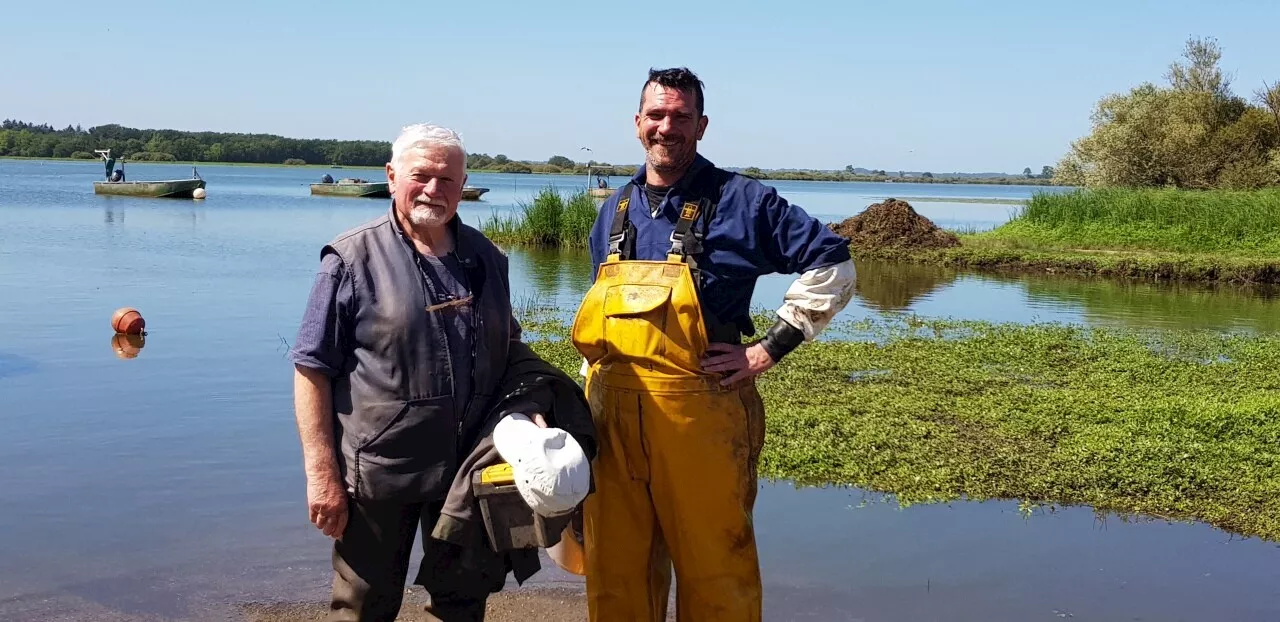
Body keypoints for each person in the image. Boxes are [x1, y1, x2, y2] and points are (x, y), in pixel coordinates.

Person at [571, 67, 858, 621]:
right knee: (615, 574)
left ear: (701, 126)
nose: (667, 127)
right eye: (656, 115)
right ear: (637, 124)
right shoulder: (615, 210)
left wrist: (766, 350)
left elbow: (835, 264)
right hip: (611, 418)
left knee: (715, 576)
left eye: (681, 117)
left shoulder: (744, 201)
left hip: (701, 418)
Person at [289, 123, 595, 622]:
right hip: (380, 469)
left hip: (470, 468)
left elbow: (509, 344)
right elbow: (311, 369)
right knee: (362, 603)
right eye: (421, 175)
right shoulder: (350, 258)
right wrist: (321, 474)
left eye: (448, 179)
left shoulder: (487, 258)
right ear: (391, 177)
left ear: (463, 182)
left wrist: (531, 405)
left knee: (462, 601)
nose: (434, 189)